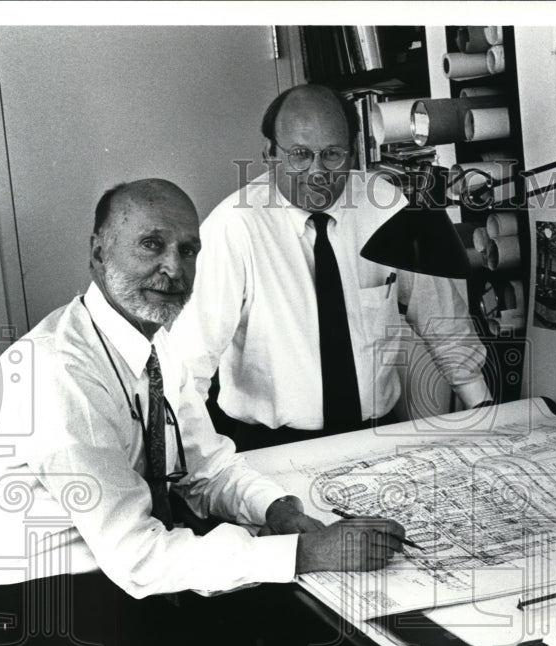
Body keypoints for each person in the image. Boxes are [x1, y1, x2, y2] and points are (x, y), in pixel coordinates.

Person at [0, 179, 408, 646]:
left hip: (120, 568)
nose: (173, 268)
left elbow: (208, 468)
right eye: (152, 245)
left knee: (297, 634)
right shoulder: (58, 370)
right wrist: (308, 553)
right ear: (98, 253)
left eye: (188, 250)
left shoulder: (154, 346)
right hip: (48, 603)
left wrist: (280, 511)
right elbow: (137, 557)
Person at [169, 84, 492, 451]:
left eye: (332, 154)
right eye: (300, 155)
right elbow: (187, 366)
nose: (318, 171)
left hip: (376, 435)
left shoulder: (386, 206)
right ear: (269, 154)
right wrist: (196, 467)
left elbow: (441, 318)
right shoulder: (232, 228)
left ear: (353, 153)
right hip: (270, 446)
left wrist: (481, 407)